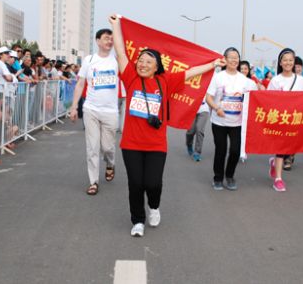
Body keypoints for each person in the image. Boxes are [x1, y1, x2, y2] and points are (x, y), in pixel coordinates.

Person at [109, 14, 226, 237]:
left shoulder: (166, 81)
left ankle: (153, 206)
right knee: (135, 183)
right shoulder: (131, 76)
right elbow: (121, 52)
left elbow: (191, 72)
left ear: (156, 67)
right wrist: (116, 26)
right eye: (141, 61)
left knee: (152, 183)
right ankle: (138, 220)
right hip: (131, 143)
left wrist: (212, 64)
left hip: (155, 144)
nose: (142, 64)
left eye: (148, 62)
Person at [69, 29, 121, 196]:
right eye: (106, 38)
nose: (110, 41)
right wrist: (74, 106)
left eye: (112, 39)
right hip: (91, 109)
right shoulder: (89, 60)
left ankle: (110, 163)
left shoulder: (117, 61)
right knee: (92, 147)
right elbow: (80, 84)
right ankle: (93, 181)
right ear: (98, 41)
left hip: (111, 111)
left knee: (108, 147)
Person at [205, 47, 257, 191]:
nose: (234, 60)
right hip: (219, 121)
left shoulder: (245, 80)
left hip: (237, 123)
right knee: (221, 150)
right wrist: (217, 108)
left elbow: (257, 96)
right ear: (225, 59)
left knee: (235, 150)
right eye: (231, 57)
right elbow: (208, 97)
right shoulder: (218, 77)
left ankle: (230, 175)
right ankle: (218, 178)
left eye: (236, 57)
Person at [267, 48, 303, 191]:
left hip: (296, 120)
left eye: (290, 60)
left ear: (294, 62)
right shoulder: (276, 80)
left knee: (290, 147)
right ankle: (278, 179)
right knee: (280, 149)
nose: (288, 63)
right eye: (285, 60)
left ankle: (275, 163)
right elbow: (269, 100)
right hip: (280, 119)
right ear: (280, 63)